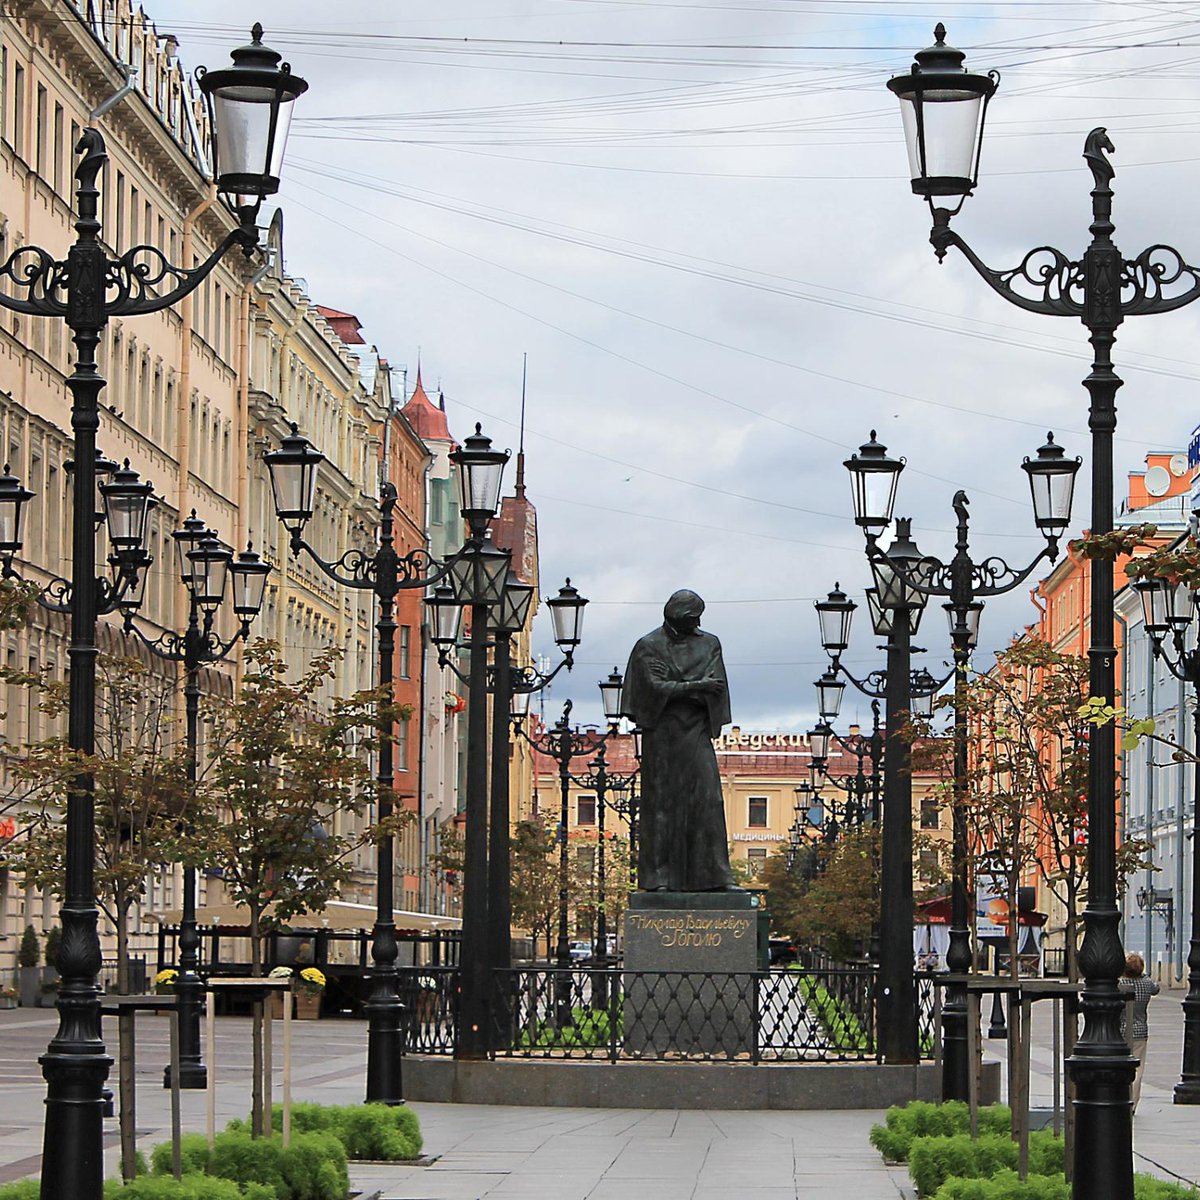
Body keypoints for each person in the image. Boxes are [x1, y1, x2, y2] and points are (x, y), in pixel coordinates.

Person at [621, 589, 737, 892]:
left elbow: (717, 687)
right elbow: (652, 689)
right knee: (661, 804)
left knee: (709, 800)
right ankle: (657, 878)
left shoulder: (709, 643)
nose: (696, 623)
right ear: (675, 617)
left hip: (696, 729)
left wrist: (676, 688)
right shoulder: (649, 646)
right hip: (662, 733)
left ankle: (716, 877)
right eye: (691, 619)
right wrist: (694, 686)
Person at [1118, 951, 1159, 1114]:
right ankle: (1132, 1104)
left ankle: (1120, 1098)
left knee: (1121, 1067)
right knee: (1138, 1070)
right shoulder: (1146, 983)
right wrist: (1144, 975)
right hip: (1140, 1031)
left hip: (1121, 1030)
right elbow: (1156, 989)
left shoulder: (1119, 984)